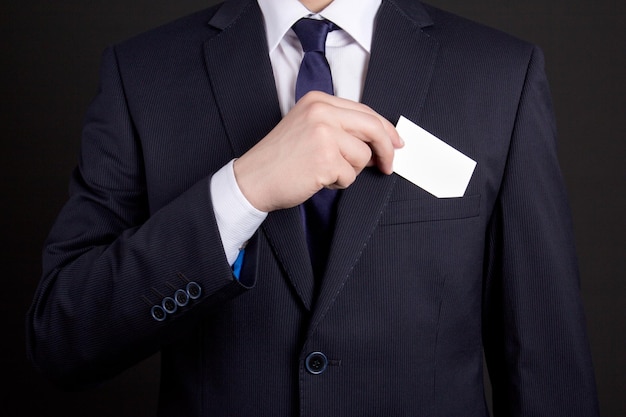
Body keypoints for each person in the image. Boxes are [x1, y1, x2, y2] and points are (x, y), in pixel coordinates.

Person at [26, 0, 600, 415]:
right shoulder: (143, 74)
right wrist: (240, 192)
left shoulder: (499, 73)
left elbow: (546, 366)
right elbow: (61, 338)